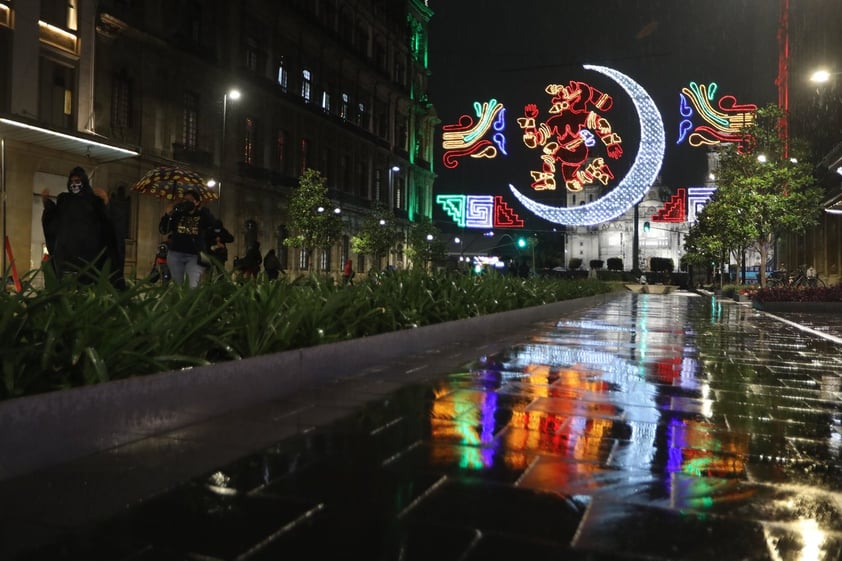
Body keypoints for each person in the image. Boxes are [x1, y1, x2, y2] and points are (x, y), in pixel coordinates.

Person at [41, 166, 125, 288]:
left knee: (87, 285)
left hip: (89, 257)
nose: (74, 184)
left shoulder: (94, 201)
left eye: (77, 181)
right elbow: (54, 218)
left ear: (84, 182)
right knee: (67, 286)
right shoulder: (64, 200)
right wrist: (46, 203)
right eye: (72, 181)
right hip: (66, 256)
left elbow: (107, 222)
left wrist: (106, 202)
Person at [158, 189, 216, 288]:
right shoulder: (178, 214)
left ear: (197, 202)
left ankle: (190, 302)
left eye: (190, 199)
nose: (187, 202)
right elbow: (164, 230)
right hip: (176, 254)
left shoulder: (202, 215)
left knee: (192, 286)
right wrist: (167, 214)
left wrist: (204, 210)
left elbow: (212, 223)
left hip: (194, 256)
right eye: (185, 199)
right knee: (178, 286)